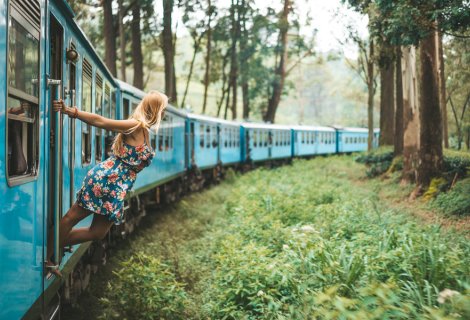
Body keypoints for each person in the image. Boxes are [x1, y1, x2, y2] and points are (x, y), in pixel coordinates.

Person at [46, 91, 168, 278]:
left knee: (98, 232)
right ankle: (50, 257)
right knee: (72, 217)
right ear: (156, 109)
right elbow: (101, 121)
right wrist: (70, 111)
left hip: (117, 186)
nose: (165, 113)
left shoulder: (144, 131)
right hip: (106, 179)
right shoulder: (135, 125)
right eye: (164, 109)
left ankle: (54, 242)